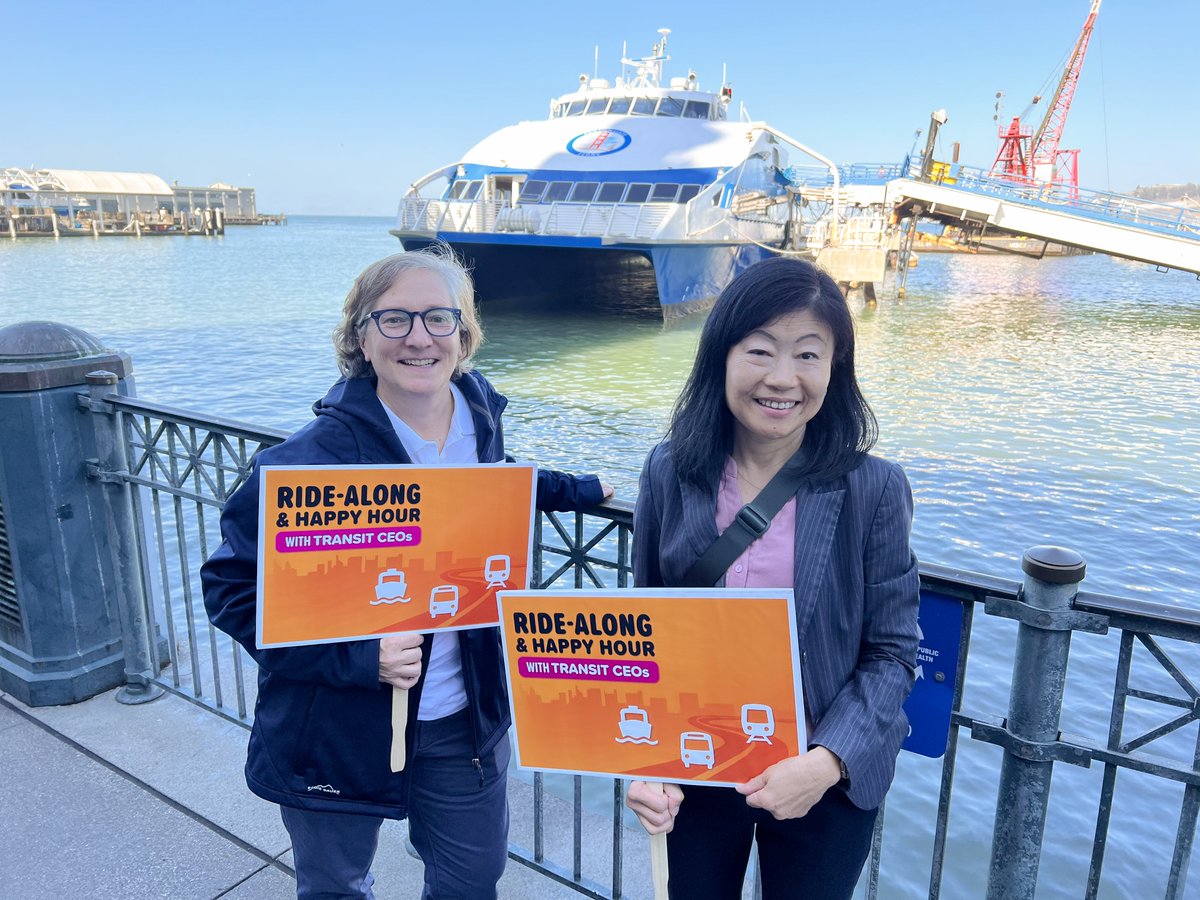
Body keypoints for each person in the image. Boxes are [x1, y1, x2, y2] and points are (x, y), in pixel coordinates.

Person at [201, 244, 612, 900]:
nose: (419, 337)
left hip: (463, 718)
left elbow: (487, 492)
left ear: (465, 334)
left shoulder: (481, 421)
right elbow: (229, 590)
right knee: (335, 886)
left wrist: (573, 488)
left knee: (472, 879)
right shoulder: (304, 464)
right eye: (394, 320)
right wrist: (358, 656)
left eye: (438, 319)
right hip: (336, 724)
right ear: (361, 338)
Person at [625, 257, 919, 899]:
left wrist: (827, 760)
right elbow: (645, 634)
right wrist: (645, 763)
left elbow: (893, 652)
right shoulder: (670, 473)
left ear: (834, 370)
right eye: (760, 350)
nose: (783, 378)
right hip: (698, 765)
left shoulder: (874, 488)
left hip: (822, 777)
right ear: (721, 357)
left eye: (809, 355)